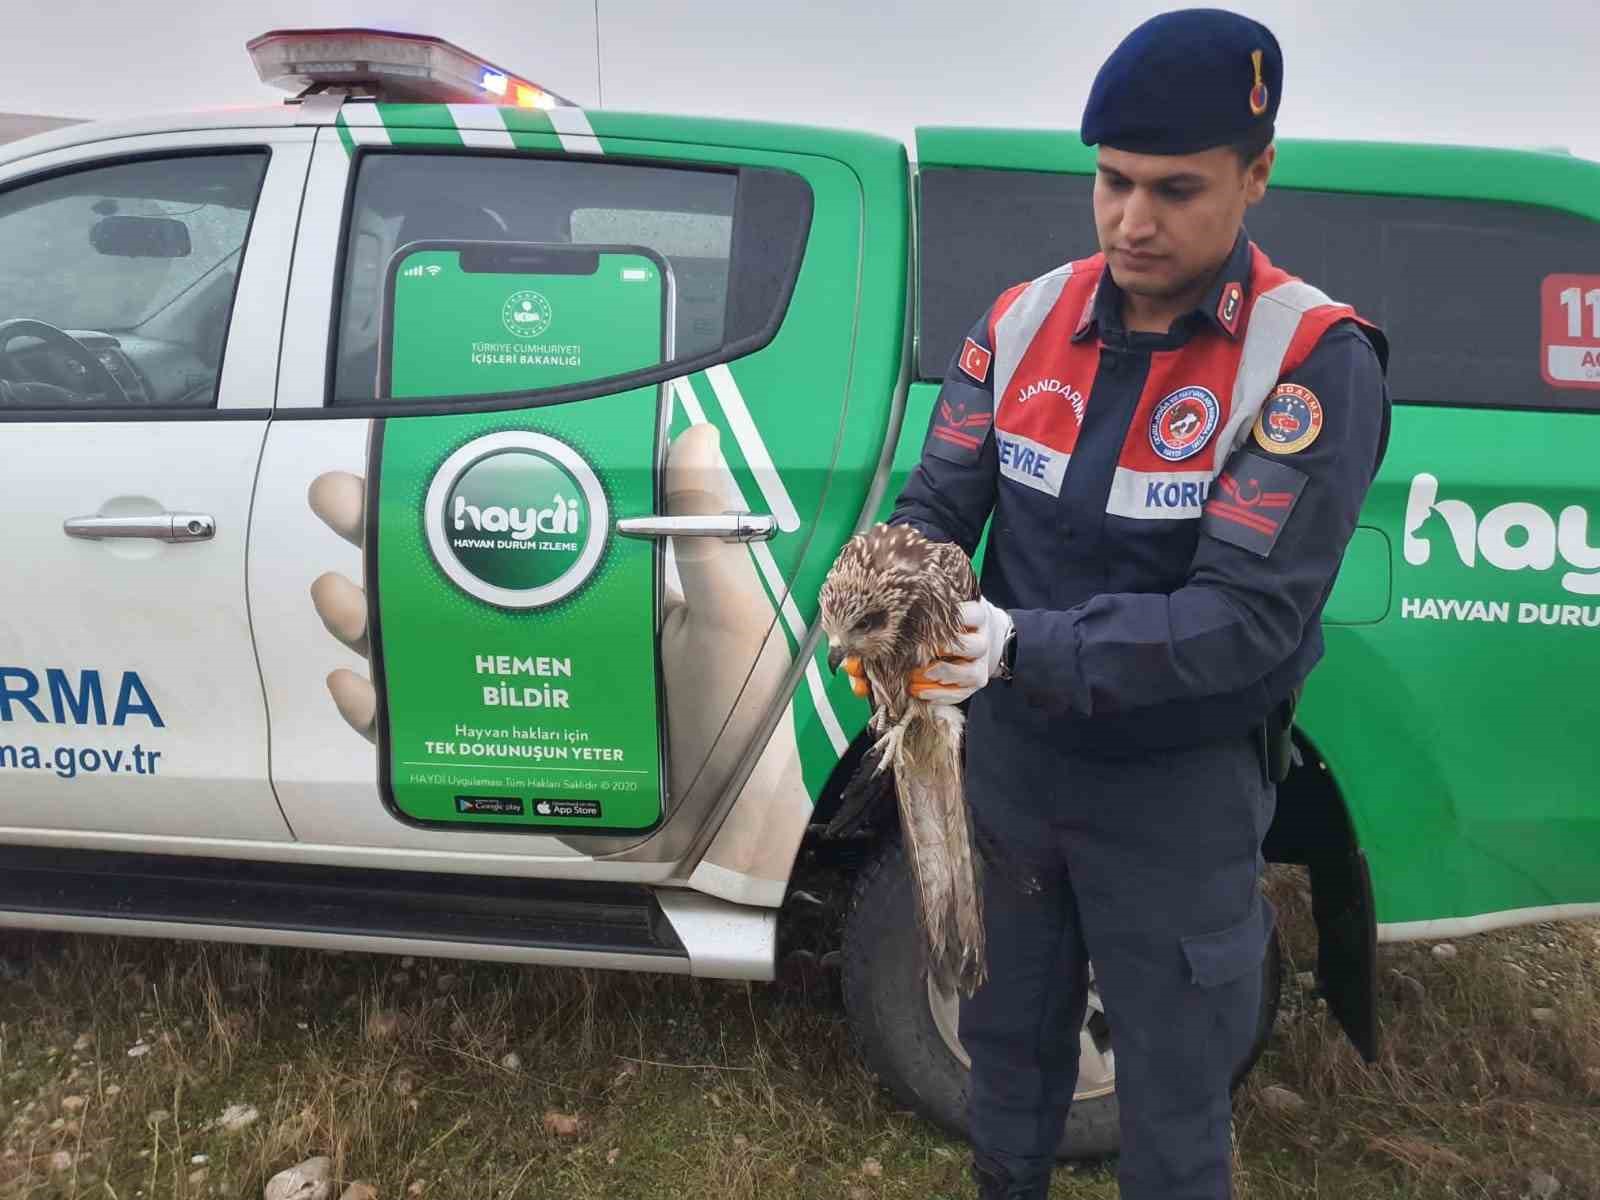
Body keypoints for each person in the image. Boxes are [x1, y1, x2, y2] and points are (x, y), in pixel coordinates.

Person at [845, 8, 1392, 1198]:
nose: (1133, 220)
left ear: (1257, 176)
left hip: (1176, 794)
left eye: (1175, 190)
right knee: (1004, 1060)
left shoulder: (1305, 363)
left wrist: (1015, 642)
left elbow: (1245, 619)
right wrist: (891, 597)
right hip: (1015, 780)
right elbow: (937, 500)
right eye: (1111, 182)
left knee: (1170, 1098)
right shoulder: (1023, 319)